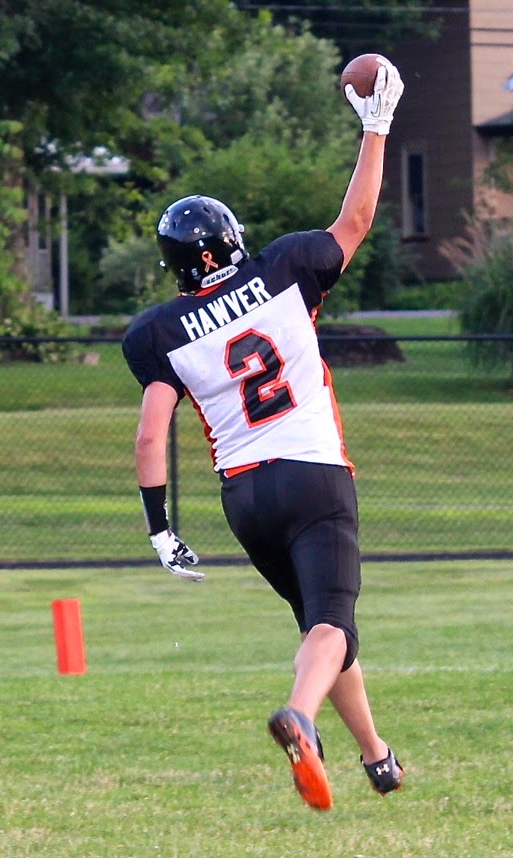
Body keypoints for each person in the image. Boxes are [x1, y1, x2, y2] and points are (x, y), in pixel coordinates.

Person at [121, 60, 407, 811]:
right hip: (313, 471)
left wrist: (159, 531)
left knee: (328, 628)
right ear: (230, 242)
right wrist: (375, 129)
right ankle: (301, 720)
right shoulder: (285, 267)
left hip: (244, 497)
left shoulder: (161, 331)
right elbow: (357, 222)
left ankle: (377, 757)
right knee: (329, 624)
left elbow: (152, 439)